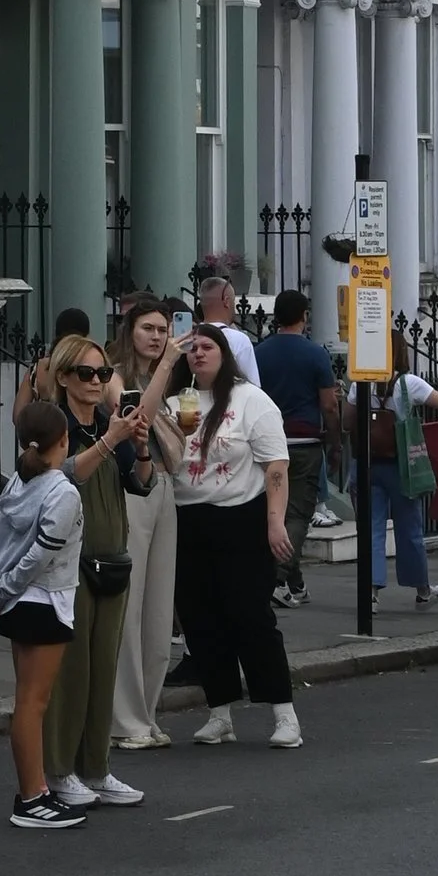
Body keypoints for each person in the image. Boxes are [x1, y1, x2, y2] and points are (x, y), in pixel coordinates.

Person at [41, 317, 177, 810]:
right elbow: (63, 474)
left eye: (101, 373)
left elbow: (138, 483)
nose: (96, 381)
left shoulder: (107, 424)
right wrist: (110, 440)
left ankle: (96, 768)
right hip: (67, 565)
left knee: (103, 671)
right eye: (85, 373)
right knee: (71, 674)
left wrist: (138, 449)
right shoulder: (50, 424)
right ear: (63, 377)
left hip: (111, 559)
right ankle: (59, 771)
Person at [169, 318, 303, 748]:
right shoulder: (176, 402)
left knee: (250, 616)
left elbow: (276, 467)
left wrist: (275, 520)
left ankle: (284, 714)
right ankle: (219, 712)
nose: (199, 353)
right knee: (201, 620)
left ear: (225, 354)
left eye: (208, 346)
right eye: (192, 347)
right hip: (188, 520)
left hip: (240, 518)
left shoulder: (251, 401)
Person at [0, 395, 86, 832]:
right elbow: (39, 556)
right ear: (62, 441)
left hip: (19, 603)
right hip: (44, 602)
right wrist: (0, 589)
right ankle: (32, 798)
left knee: (27, 701)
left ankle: (36, 792)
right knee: (32, 703)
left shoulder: (17, 484)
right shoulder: (63, 492)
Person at [108, 302, 185, 749]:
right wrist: (169, 364)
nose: (157, 337)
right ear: (129, 331)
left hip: (163, 484)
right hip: (130, 489)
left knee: (159, 607)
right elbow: (139, 417)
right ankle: (125, 719)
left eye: (163, 329)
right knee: (131, 605)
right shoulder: (113, 374)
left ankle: (147, 713)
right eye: (148, 329)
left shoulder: (166, 373)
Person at [254, 285, 342, 605]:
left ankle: (296, 582)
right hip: (304, 442)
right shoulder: (315, 353)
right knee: (297, 514)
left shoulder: (259, 352)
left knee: (273, 510)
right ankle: (277, 579)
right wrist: (334, 441)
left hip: (267, 441)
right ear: (304, 317)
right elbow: (329, 406)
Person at [368, 330, 438, 607]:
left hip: (370, 463)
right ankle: (422, 590)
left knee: (372, 528)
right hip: (403, 466)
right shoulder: (409, 384)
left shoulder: (362, 383)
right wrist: (426, 429)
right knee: (409, 529)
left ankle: (371, 593)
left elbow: (349, 419)